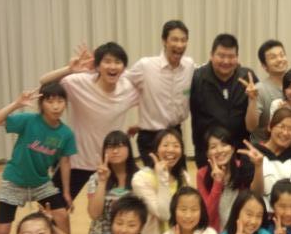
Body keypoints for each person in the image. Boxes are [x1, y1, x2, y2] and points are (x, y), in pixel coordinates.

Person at [0, 83, 76, 234]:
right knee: (3, 229)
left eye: (60, 101)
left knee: (62, 215)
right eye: (50, 101)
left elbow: (65, 161)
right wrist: (17, 104)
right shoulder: (29, 120)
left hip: (40, 183)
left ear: (65, 104)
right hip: (14, 180)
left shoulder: (66, 133)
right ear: (42, 103)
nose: (56, 106)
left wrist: (66, 192)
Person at [39, 42, 139, 200]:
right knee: (51, 206)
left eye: (118, 62)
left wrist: (140, 126)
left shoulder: (128, 88)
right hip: (77, 160)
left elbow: (153, 101)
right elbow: (45, 83)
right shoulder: (78, 82)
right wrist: (69, 69)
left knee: (117, 209)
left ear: (124, 68)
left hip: (111, 162)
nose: (112, 66)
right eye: (107, 61)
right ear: (97, 66)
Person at [126, 20, 194, 166]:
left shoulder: (189, 66)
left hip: (175, 133)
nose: (179, 45)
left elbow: (207, 70)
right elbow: (121, 82)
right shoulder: (146, 66)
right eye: (175, 39)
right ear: (164, 41)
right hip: (150, 137)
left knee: (180, 177)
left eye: (183, 40)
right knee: (155, 178)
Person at [190, 33, 258, 168]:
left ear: (237, 57)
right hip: (209, 152)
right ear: (211, 55)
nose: (226, 61)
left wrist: (253, 99)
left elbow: (254, 121)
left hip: (240, 151)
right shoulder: (198, 78)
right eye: (221, 56)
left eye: (231, 56)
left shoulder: (247, 77)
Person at [132, 128, 190, 234]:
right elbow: (165, 215)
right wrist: (162, 178)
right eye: (165, 145)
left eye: (176, 146)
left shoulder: (184, 176)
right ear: (156, 150)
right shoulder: (141, 178)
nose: (171, 150)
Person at [196, 126, 253, 232]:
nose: (219, 150)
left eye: (224, 145)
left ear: (232, 148)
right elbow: (207, 215)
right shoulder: (202, 174)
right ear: (207, 153)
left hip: (241, 232)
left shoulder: (242, 167)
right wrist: (217, 182)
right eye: (213, 147)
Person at [241, 108, 291, 211]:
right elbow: (254, 193)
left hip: (287, 216)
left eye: (290, 129)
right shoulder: (253, 152)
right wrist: (258, 166)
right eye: (281, 127)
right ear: (270, 126)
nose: (285, 133)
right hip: (258, 215)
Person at [87, 130, 139, 234]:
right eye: (110, 147)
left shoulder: (140, 177)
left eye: (120, 146)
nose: (115, 151)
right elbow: (94, 214)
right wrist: (102, 182)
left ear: (129, 149)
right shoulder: (95, 178)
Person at [243, 39, 288, 143]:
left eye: (282, 55)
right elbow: (251, 127)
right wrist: (253, 100)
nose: (279, 59)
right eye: (273, 57)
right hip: (264, 147)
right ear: (264, 66)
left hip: (289, 147)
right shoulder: (260, 89)